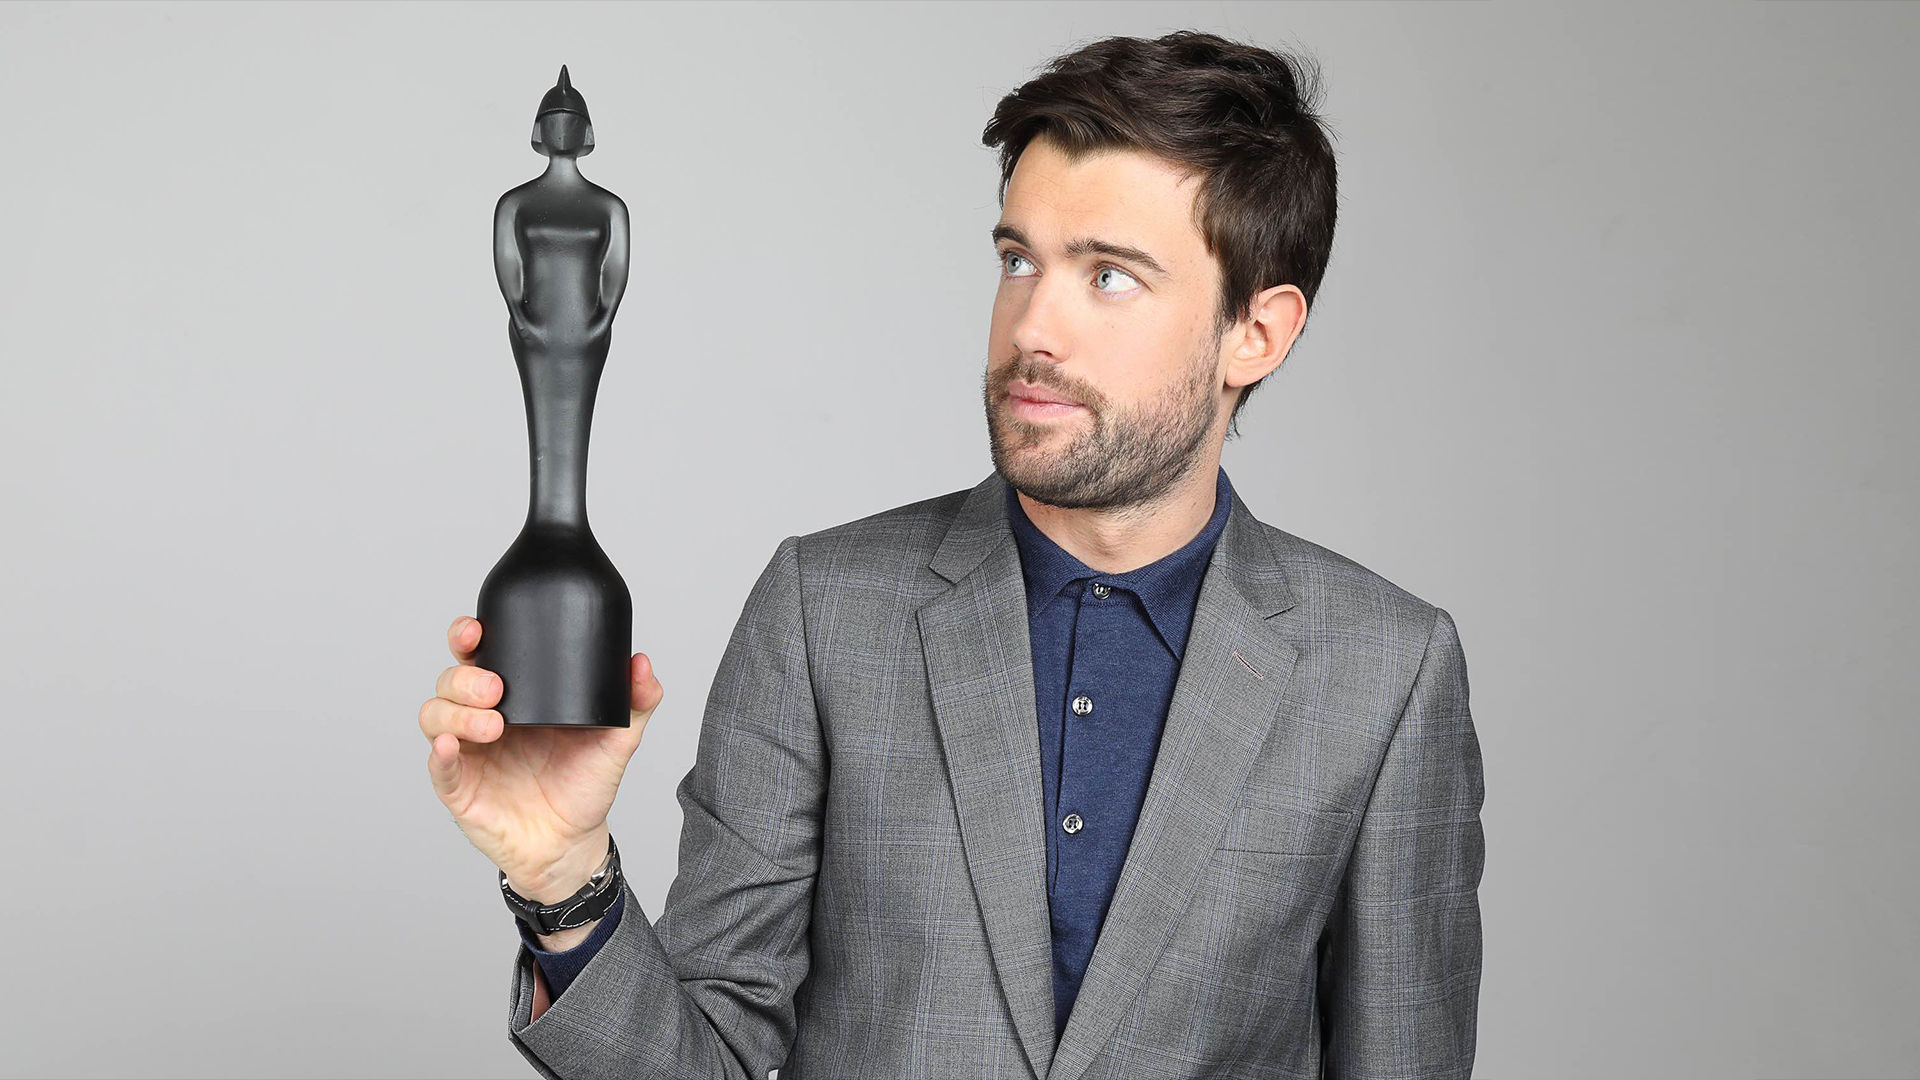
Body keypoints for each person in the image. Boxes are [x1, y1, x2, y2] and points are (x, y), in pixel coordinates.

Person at [419, 30, 1485, 1080]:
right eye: (1019, 261)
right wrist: (563, 878)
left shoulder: (1385, 673)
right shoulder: (824, 612)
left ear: (1258, 331)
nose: (1033, 329)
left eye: (1110, 277)